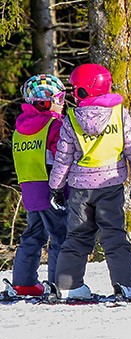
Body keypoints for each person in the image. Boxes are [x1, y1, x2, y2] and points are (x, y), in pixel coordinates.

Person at [48, 64, 131, 300]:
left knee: (78, 236)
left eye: (75, 89)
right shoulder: (119, 114)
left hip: (80, 189)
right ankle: (125, 285)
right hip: (110, 186)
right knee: (114, 235)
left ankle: (68, 285)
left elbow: (62, 158)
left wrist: (56, 188)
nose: (73, 94)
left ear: (83, 91)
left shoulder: (71, 119)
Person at [9, 74, 68, 296]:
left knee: (33, 235)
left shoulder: (19, 130)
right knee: (60, 235)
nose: (63, 103)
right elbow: (61, 157)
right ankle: (59, 283)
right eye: (60, 98)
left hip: (30, 192)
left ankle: (24, 282)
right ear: (46, 101)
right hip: (52, 190)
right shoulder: (54, 125)